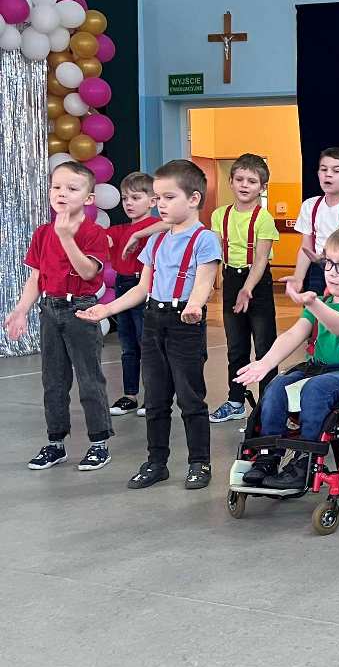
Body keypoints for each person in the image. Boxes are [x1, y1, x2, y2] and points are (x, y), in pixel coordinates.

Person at [78, 160, 221, 489]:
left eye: (169, 197)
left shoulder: (205, 240)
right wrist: (106, 309)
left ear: (194, 199)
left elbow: (204, 280)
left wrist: (195, 305)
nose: (161, 205)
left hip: (185, 322)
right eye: (158, 198)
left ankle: (199, 462)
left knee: (190, 399)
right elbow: (142, 288)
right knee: (155, 399)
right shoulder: (156, 241)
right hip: (154, 320)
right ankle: (156, 462)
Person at [236, 226, 339, 489]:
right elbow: (294, 334)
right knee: (277, 386)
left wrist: (313, 303)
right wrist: (265, 363)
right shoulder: (323, 300)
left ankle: (305, 459)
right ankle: (267, 455)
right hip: (318, 368)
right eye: (329, 264)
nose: (332, 272)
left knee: (315, 389)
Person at [5, 161, 113, 471]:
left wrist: (66, 237)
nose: (61, 193)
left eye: (72, 188)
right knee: (53, 380)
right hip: (49, 309)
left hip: (80, 308)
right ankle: (56, 442)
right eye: (56, 187)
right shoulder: (42, 233)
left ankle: (99, 443)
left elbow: (88, 271)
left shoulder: (93, 233)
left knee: (89, 379)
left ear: (89, 198)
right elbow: (35, 278)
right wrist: (21, 310)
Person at [209, 154, 280, 423]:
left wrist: (248, 288)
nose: (244, 185)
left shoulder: (264, 218)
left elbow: (261, 259)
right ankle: (235, 401)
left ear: (262, 187)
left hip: (257, 283)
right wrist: (206, 287)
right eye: (239, 179)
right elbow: (214, 255)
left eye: (252, 181)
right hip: (231, 281)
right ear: (230, 181)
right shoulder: (220, 215)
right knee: (236, 347)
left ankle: (268, 405)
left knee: (264, 347)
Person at [106, 171, 166, 418]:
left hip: (144, 286)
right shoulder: (118, 229)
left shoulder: (155, 226)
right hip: (122, 285)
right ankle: (130, 395)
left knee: (147, 344)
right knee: (128, 345)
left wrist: (137, 234)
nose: (128, 203)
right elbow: (101, 240)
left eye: (135, 198)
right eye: (124, 198)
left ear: (152, 201)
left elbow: (171, 223)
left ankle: (154, 396)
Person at [286, 147, 339, 295]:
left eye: (336, 171)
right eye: (323, 169)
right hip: (318, 269)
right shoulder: (309, 205)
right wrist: (298, 278)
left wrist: (330, 258)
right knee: (313, 305)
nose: (328, 174)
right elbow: (306, 247)